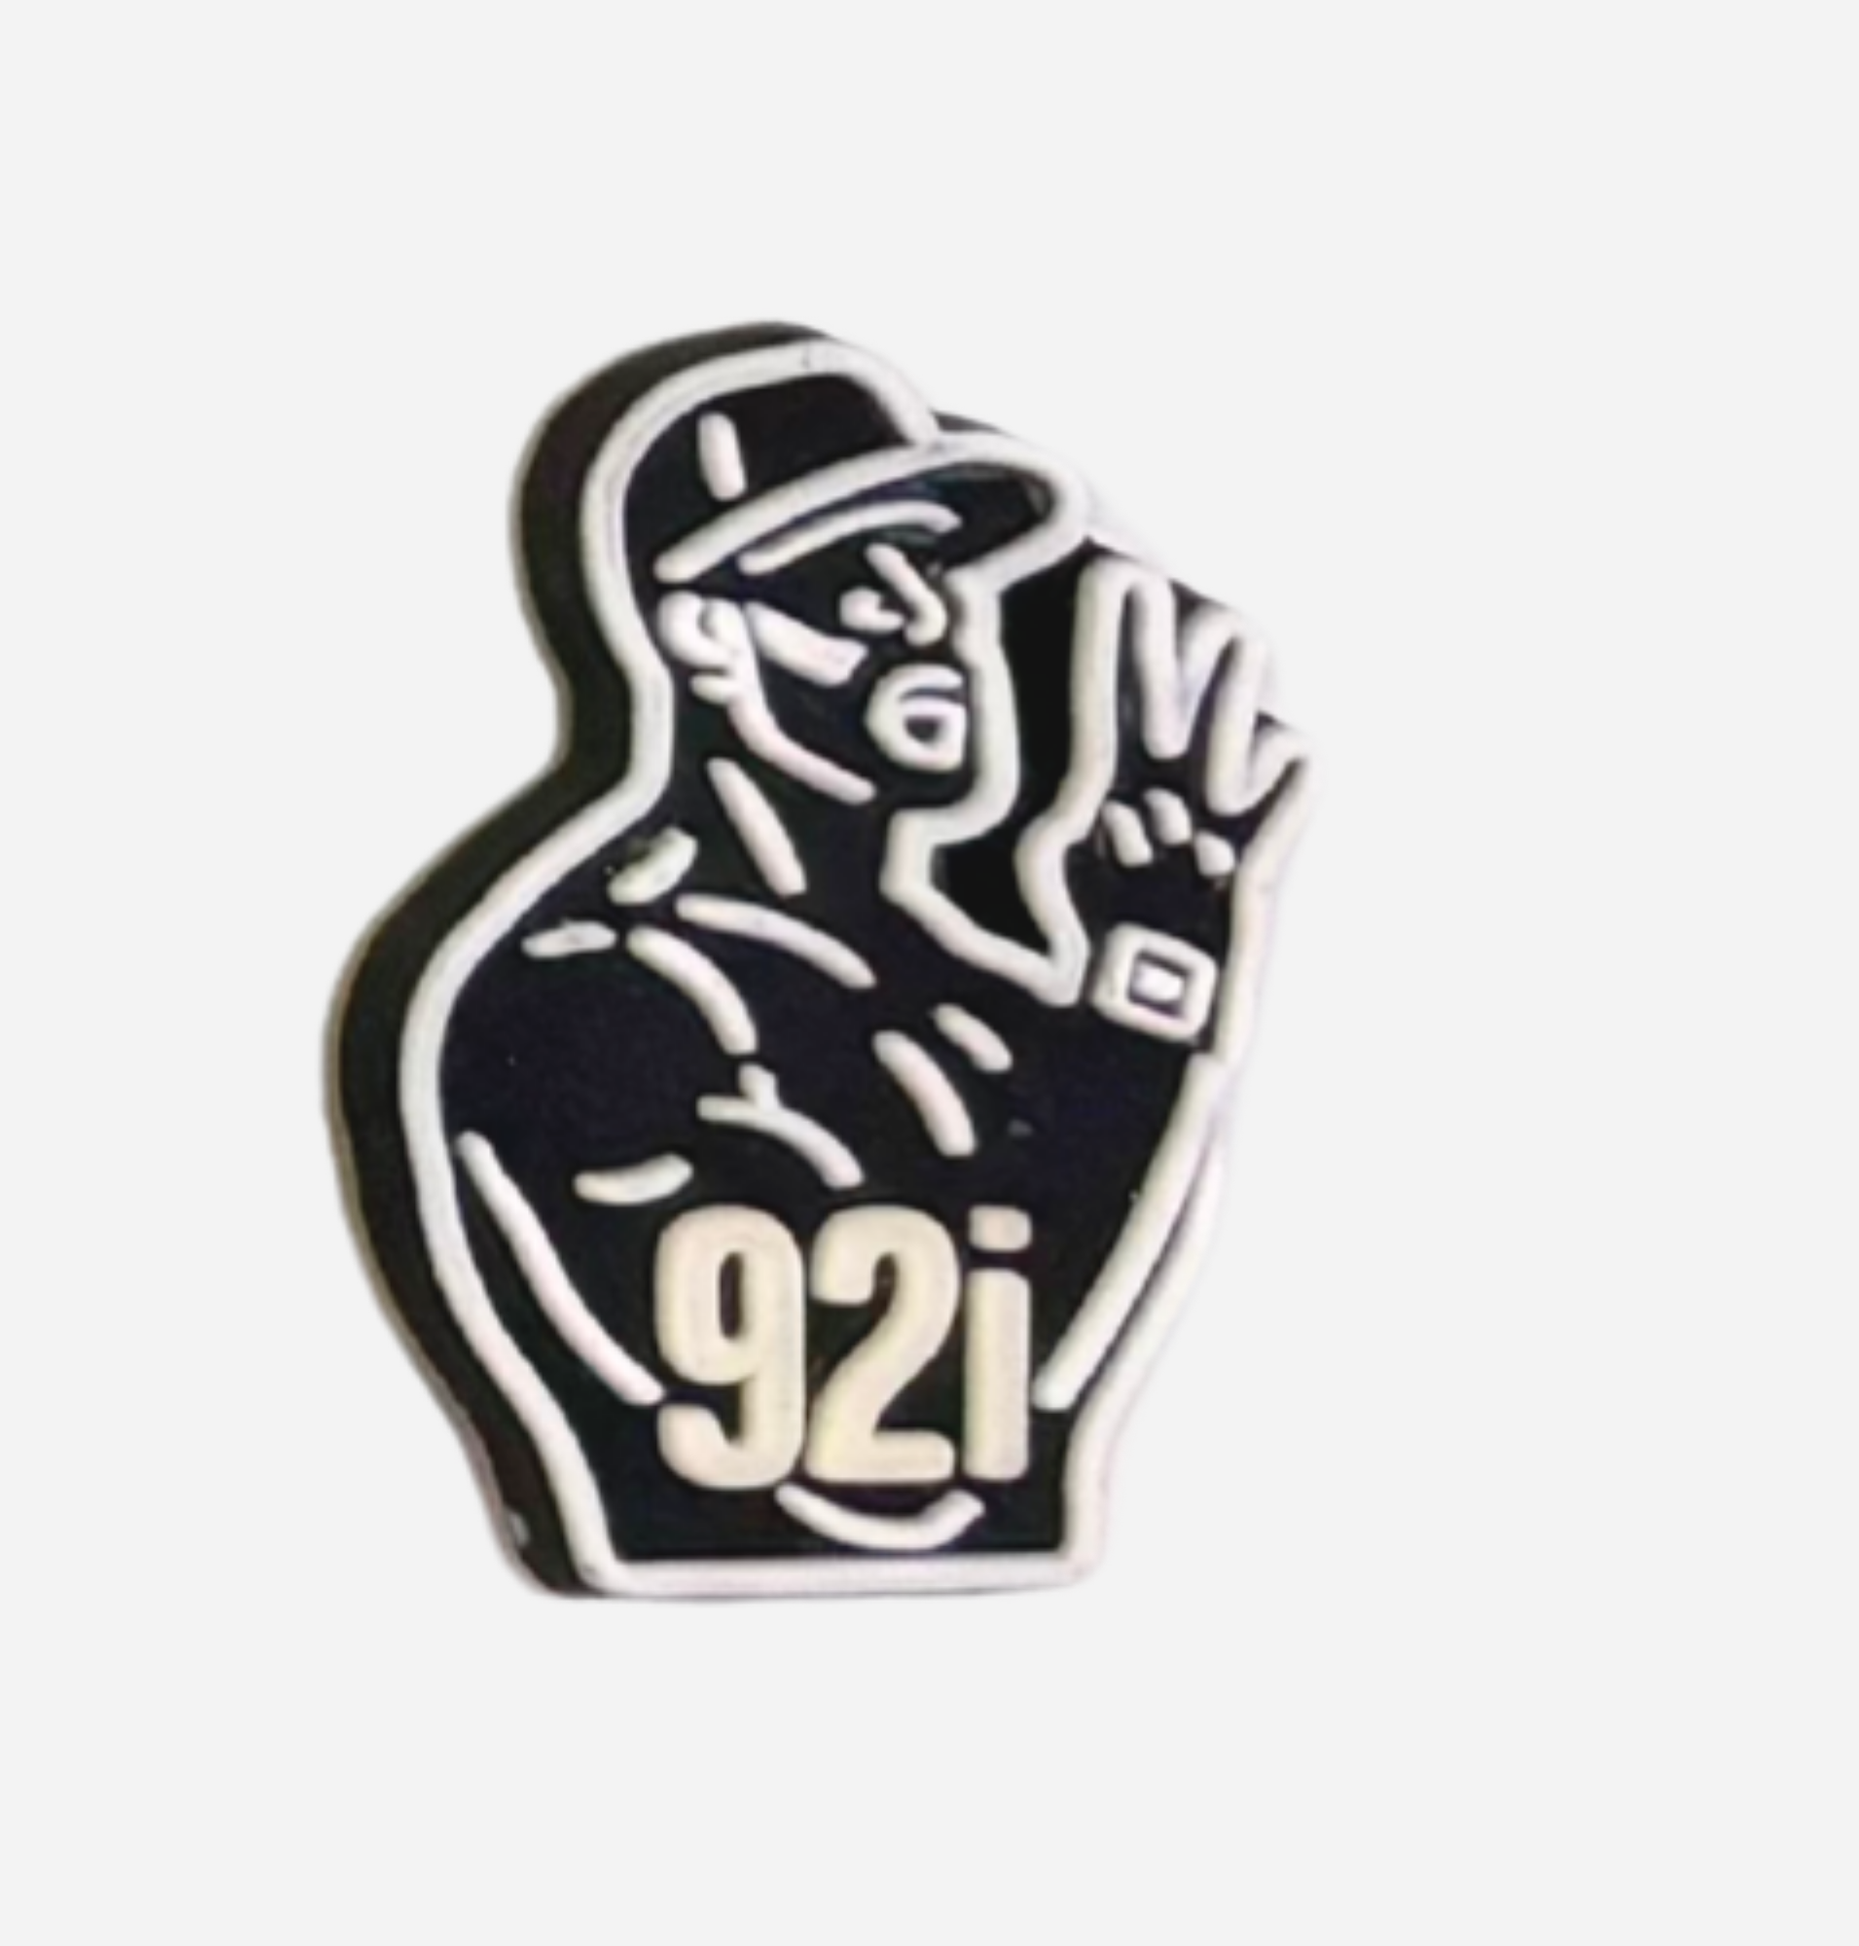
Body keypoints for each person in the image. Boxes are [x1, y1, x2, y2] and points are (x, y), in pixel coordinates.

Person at [341, 328, 1306, 1594]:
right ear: (707, 637)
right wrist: (1138, 998)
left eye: (935, 572)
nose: (927, 618)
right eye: (850, 578)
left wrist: (1158, 969)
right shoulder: (598, 987)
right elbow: (854, 1416)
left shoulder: (969, 980)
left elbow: (1035, 1319)